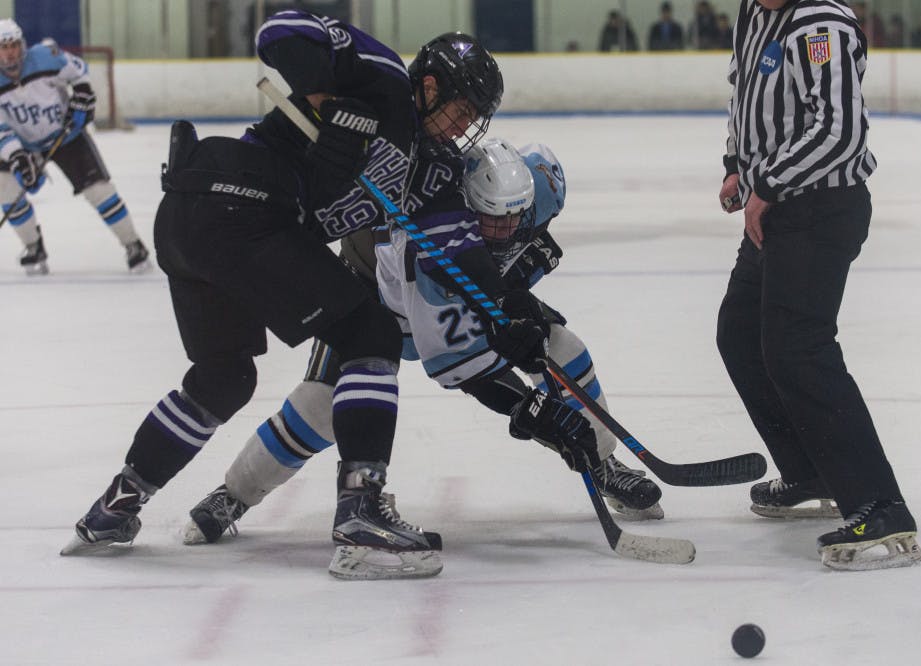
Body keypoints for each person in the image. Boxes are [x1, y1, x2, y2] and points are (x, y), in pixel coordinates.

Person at [61, 10, 512, 581]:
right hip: (237, 202)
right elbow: (280, 32)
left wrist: (511, 313)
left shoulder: (428, 168)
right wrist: (330, 102)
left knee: (224, 378)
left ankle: (115, 507)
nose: (463, 127)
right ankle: (361, 515)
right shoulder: (383, 80)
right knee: (371, 333)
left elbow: (460, 249)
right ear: (429, 85)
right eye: (461, 110)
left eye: (474, 118)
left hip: (201, 217)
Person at [181, 138, 661, 548]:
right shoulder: (433, 239)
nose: (508, 232)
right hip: (370, 296)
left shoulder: (524, 199)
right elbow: (461, 365)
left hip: (448, 294)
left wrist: (519, 312)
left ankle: (603, 462)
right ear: (467, 206)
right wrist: (536, 414)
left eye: (519, 220)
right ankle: (235, 494)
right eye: (493, 221)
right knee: (320, 407)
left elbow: (502, 290)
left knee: (560, 345)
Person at [716, 0, 921, 571]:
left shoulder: (821, 24)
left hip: (819, 210)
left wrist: (767, 184)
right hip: (777, 210)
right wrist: (736, 164)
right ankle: (811, 472)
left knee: (798, 348)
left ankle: (880, 504)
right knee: (740, 333)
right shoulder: (753, 12)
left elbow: (840, 131)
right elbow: (744, 91)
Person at [0, 19, 149, 274]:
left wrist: (82, 93)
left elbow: (78, 71)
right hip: (25, 145)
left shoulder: (46, 56)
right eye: (3, 47)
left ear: (21, 44)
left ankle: (133, 244)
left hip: (66, 135)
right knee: (6, 189)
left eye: (13, 45)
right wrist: (17, 158)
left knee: (99, 190)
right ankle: (33, 246)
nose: (10, 52)